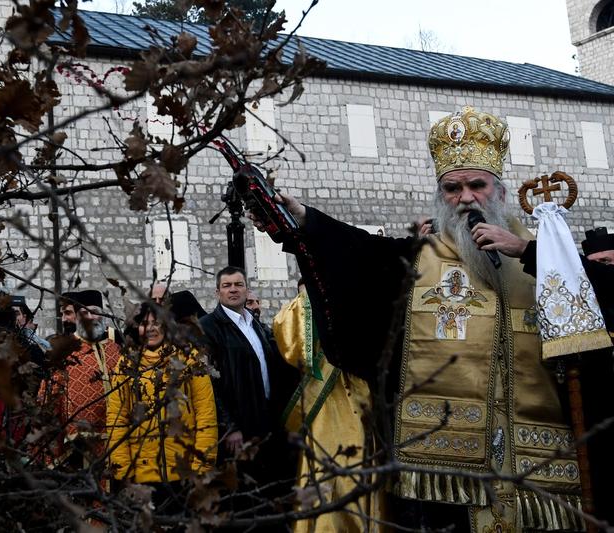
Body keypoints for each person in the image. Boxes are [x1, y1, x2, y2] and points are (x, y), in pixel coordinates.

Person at [252, 106, 584, 532]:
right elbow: (360, 257)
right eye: (452, 187)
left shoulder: (540, 255)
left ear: (499, 192)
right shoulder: (416, 259)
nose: (465, 197)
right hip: (448, 462)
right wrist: (306, 222)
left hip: (538, 455)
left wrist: (529, 255)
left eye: (477, 185)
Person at [478, 224, 614, 525]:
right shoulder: (580, 295)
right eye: (597, 262)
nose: (602, 269)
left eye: (609, 261)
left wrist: (526, 249)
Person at [274, 289, 380, 532]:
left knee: (360, 462)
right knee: (325, 461)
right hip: (328, 400)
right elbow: (289, 337)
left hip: (362, 393)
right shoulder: (313, 294)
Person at [198, 266, 299, 517]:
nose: (233, 289)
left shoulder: (255, 324)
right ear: (217, 292)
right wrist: (229, 426)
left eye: (238, 284)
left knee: (268, 495)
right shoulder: (208, 328)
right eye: (227, 285)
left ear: (247, 288)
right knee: (241, 501)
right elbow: (209, 384)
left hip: (265, 423)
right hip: (238, 429)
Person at [107, 302, 217, 512]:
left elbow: (206, 416)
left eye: (157, 322)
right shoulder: (126, 365)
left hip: (184, 473)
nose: (151, 328)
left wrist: (201, 468)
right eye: (144, 323)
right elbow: (117, 420)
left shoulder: (189, 360)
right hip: (141, 476)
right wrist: (122, 472)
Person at [40, 290, 122, 466]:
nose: (91, 317)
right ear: (77, 317)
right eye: (84, 313)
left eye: (95, 311)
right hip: (78, 446)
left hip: (119, 441)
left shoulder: (116, 349)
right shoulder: (64, 351)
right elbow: (48, 402)